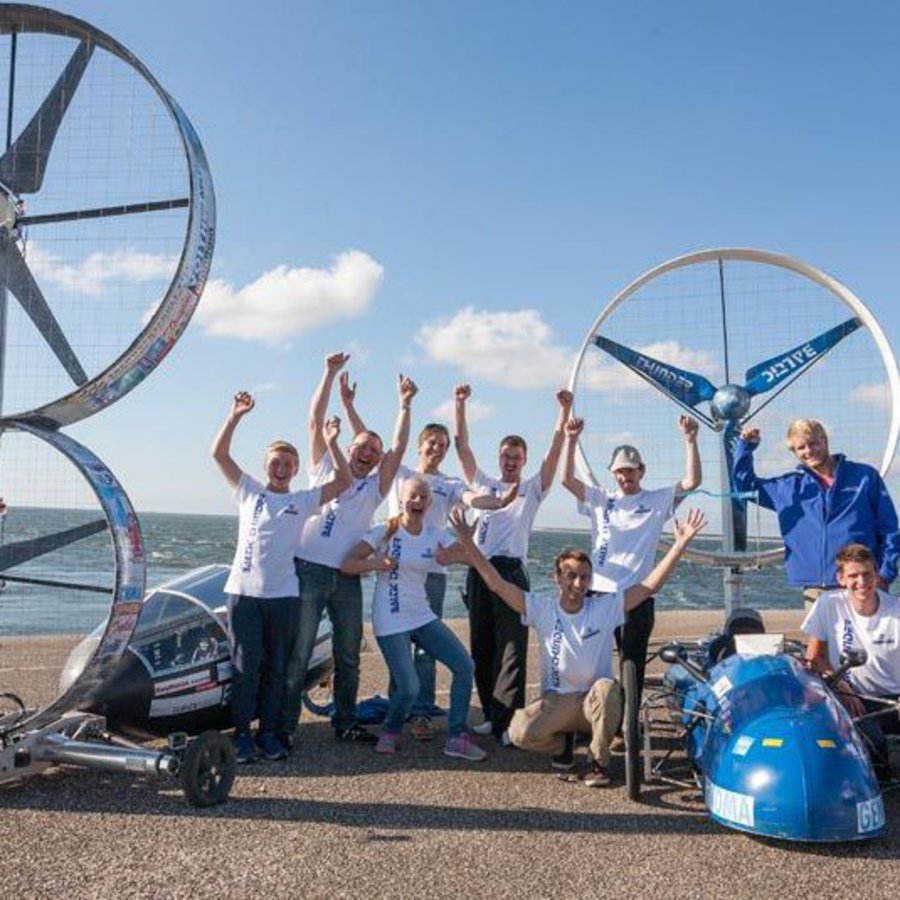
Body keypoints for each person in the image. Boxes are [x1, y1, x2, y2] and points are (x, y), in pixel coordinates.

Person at [443, 505, 707, 784]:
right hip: (556, 701)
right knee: (518, 732)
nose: (578, 583)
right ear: (557, 578)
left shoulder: (604, 608)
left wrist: (680, 544)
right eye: (571, 575)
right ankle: (565, 746)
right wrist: (470, 544)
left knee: (607, 689)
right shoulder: (542, 608)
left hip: (595, 702)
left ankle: (598, 762)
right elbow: (496, 584)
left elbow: (648, 587)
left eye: (584, 577)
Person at [280, 353, 417, 747]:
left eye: (374, 451)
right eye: (362, 446)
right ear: (350, 447)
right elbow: (314, 418)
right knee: (299, 652)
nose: (368, 453)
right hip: (307, 570)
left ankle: (344, 722)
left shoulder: (375, 488)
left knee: (349, 655)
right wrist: (328, 372)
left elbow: (399, 446)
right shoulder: (324, 467)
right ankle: (286, 728)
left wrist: (405, 406)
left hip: (346, 576)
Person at [211, 390, 350, 764]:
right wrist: (235, 414)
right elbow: (219, 454)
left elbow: (344, 482)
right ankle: (241, 736)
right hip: (243, 593)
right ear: (267, 465)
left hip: (284, 596)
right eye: (277, 461)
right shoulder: (249, 492)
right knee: (245, 667)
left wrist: (333, 443)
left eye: (290, 463)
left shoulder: (302, 500)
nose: (283, 467)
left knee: (276, 669)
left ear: (295, 468)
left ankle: (268, 734)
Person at [383, 421, 518, 741]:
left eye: (443, 445)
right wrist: (404, 406)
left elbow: (473, 499)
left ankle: (422, 713)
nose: (438, 449)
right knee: (397, 642)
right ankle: (397, 708)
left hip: (432, 573)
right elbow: (394, 443)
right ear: (420, 445)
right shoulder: (400, 474)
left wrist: (499, 502)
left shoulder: (451, 483)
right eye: (432, 442)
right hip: (396, 570)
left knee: (425, 649)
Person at [454, 384, 571, 742]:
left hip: (510, 573)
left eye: (516, 457)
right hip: (479, 570)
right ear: (499, 456)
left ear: (523, 461)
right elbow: (461, 447)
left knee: (511, 649)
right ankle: (491, 715)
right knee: (482, 646)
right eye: (505, 455)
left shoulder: (532, 488)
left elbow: (553, 457)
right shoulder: (483, 484)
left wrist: (563, 414)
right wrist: (460, 404)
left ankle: (508, 723)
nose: (510, 461)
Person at [341, 475, 487, 761]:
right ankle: (391, 730)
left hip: (421, 614)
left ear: (430, 503)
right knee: (409, 687)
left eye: (423, 497)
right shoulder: (385, 530)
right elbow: (347, 563)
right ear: (401, 499)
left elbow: (474, 559)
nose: (418, 501)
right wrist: (375, 563)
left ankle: (456, 736)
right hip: (390, 618)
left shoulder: (434, 534)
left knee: (464, 666)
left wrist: (456, 554)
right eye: (413, 496)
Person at [561, 414, 701, 700]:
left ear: (641, 471)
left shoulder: (656, 500)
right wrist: (571, 440)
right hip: (599, 594)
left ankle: (628, 726)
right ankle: (596, 719)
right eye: (620, 471)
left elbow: (691, 481)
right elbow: (566, 479)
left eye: (631, 471)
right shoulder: (601, 499)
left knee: (631, 663)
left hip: (637, 595)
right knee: (591, 662)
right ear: (613, 473)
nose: (626, 476)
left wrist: (690, 440)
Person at [734, 419, 900, 603]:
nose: (808, 451)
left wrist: (885, 574)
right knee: (819, 634)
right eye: (801, 447)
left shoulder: (865, 477)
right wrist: (746, 447)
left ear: (825, 441)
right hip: (816, 589)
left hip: (862, 582)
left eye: (813, 443)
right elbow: (744, 486)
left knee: (872, 632)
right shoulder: (788, 488)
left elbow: (890, 528)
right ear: (795, 452)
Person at [802, 543, 900, 772]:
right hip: (853, 696)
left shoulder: (895, 610)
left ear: (877, 575)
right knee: (872, 753)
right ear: (841, 578)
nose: (862, 582)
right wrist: (843, 686)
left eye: (867, 574)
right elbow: (814, 658)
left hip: (894, 697)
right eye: (853, 575)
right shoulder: (828, 604)